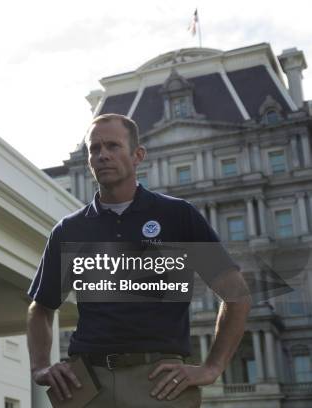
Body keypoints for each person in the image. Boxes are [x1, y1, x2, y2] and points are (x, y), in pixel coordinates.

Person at [27, 114, 251, 407]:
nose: (103, 155)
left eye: (113, 146)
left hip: (159, 381)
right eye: (95, 149)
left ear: (138, 155)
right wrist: (41, 367)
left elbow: (237, 295)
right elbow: (40, 308)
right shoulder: (70, 229)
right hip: (86, 382)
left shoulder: (177, 216)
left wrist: (213, 368)